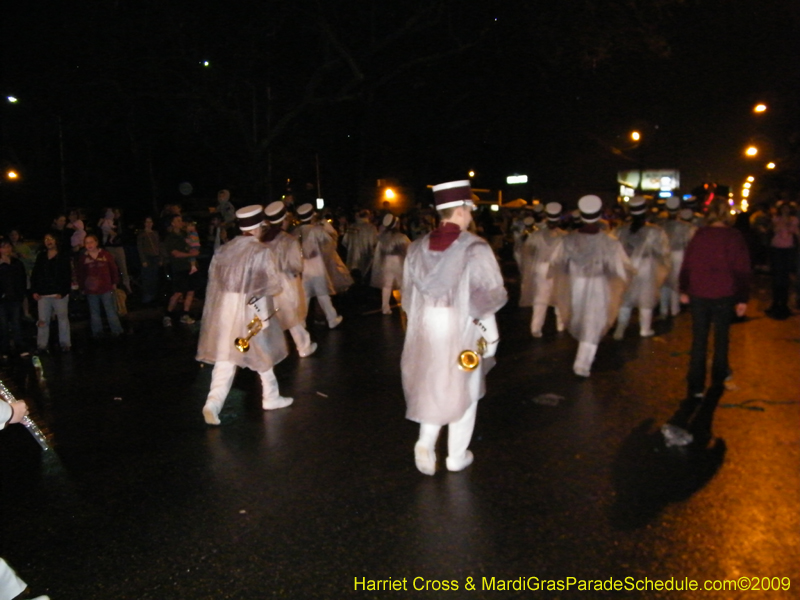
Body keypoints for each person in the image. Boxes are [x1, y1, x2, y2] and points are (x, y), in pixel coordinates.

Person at [402, 180, 507, 475]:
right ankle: (456, 455)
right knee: (467, 387)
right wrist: (490, 333)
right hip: (463, 323)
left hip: (429, 324)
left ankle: (426, 441)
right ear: (461, 210)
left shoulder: (418, 247)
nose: (471, 215)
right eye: (469, 209)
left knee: (435, 381)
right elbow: (487, 295)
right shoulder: (474, 246)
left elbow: (410, 295)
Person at [662, 197, 751, 447]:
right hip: (724, 293)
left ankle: (696, 386)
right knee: (721, 338)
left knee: (699, 339)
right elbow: (742, 269)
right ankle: (717, 381)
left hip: (700, 293)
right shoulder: (734, 238)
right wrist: (742, 297)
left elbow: (688, 264)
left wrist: (684, 288)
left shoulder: (700, 234)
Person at [197, 205, 293, 426]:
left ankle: (212, 403)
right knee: (263, 353)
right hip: (251, 307)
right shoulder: (261, 251)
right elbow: (271, 284)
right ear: (259, 227)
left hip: (225, 309)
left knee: (225, 357)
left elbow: (215, 282)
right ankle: (271, 396)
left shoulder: (224, 250)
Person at [553, 195, 632, 377]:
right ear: (599, 215)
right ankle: (582, 363)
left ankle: (583, 360)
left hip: (575, 286)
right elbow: (620, 268)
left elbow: (557, 263)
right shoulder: (609, 242)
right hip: (598, 286)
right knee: (593, 323)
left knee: (582, 319)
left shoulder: (568, 240)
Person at [262, 201, 317, 358]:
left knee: (270, 316)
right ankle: (303, 346)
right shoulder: (289, 240)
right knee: (293, 315)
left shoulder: (262, 239)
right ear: (284, 219)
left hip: (267, 282)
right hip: (286, 282)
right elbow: (296, 265)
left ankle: (267, 351)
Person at [613, 195, 671, 339]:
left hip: (626, 267)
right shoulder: (655, 231)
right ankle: (645, 329)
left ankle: (621, 326)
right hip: (647, 268)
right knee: (646, 298)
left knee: (625, 299)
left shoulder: (621, 230)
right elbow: (663, 252)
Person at [294, 203, 353, 329]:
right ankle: (331, 318)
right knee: (322, 292)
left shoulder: (296, 232)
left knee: (307, 295)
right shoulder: (316, 230)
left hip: (303, 266)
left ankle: (303, 322)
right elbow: (330, 243)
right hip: (316, 264)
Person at [519, 202, 567, 337]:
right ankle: (560, 325)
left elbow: (527, 252)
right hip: (557, 270)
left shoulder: (537, 234)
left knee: (540, 300)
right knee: (559, 298)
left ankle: (536, 327)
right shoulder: (564, 236)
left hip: (540, 269)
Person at [74, 234, 124, 339]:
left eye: (91, 242)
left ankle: (117, 331)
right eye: (87, 243)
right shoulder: (84, 258)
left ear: (96, 243)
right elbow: (80, 274)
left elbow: (113, 269)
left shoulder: (105, 255)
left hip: (106, 287)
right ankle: (97, 332)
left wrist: (115, 282)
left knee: (110, 310)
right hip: (91, 290)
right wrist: (82, 287)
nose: (89, 245)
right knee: (94, 312)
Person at [30, 233, 73, 353]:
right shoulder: (41, 257)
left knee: (62, 319)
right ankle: (42, 345)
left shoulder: (63, 256)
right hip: (43, 294)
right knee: (43, 320)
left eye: (51, 239)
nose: (49, 241)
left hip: (58, 294)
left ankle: (65, 343)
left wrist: (63, 291)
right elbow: (36, 275)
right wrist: (34, 291)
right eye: (46, 239)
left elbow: (67, 275)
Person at [659, 201, 697, 318]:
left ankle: (663, 309)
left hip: (664, 255)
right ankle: (675, 309)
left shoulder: (660, 225)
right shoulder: (687, 226)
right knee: (676, 282)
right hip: (679, 254)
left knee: (665, 282)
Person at [163, 214, 200, 326]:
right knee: (178, 293)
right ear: (173, 223)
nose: (180, 222)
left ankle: (185, 314)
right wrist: (190, 254)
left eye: (181, 220)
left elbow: (194, 243)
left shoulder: (185, 235)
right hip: (179, 268)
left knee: (190, 291)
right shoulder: (170, 237)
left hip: (190, 267)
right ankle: (168, 315)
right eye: (178, 220)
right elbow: (175, 253)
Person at [370, 213, 410, 314]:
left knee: (386, 285)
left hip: (385, 261)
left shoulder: (382, 237)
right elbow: (409, 249)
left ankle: (385, 307)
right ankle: (407, 306)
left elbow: (378, 251)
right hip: (398, 261)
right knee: (402, 284)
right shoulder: (401, 236)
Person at [765, 201, 798, 319]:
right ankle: (775, 303)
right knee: (777, 276)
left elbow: (795, 232)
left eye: (787, 208)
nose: (785, 210)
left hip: (788, 249)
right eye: (783, 208)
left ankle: (783, 304)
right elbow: (772, 230)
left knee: (785, 277)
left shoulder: (793, 220)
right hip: (777, 249)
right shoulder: (776, 219)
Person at [0, 240, 29, 358]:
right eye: (3, 247)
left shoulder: (17, 263)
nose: (6, 249)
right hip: (2, 299)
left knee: (16, 323)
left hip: (15, 298)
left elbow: (22, 279)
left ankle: (19, 345)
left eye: (8, 247)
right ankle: (4, 348)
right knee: (3, 324)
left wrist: (21, 294)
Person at [341, 209, 378, 280]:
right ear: (368, 216)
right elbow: (375, 243)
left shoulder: (351, 227)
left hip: (351, 257)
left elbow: (345, 242)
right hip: (365, 257)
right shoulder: (371, 228)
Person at [136, 216, 161, 304]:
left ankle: (153, 296)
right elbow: (140, 248)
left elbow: (158, 245)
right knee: (147, 278)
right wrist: (143, 260)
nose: (149, 224)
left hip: (155, 257)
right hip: (147, 258)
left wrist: (160, 257)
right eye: (147, 222)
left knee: (154, 277)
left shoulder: (155, 233)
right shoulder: (142, 234)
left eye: (150, 222)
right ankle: (147, 296)